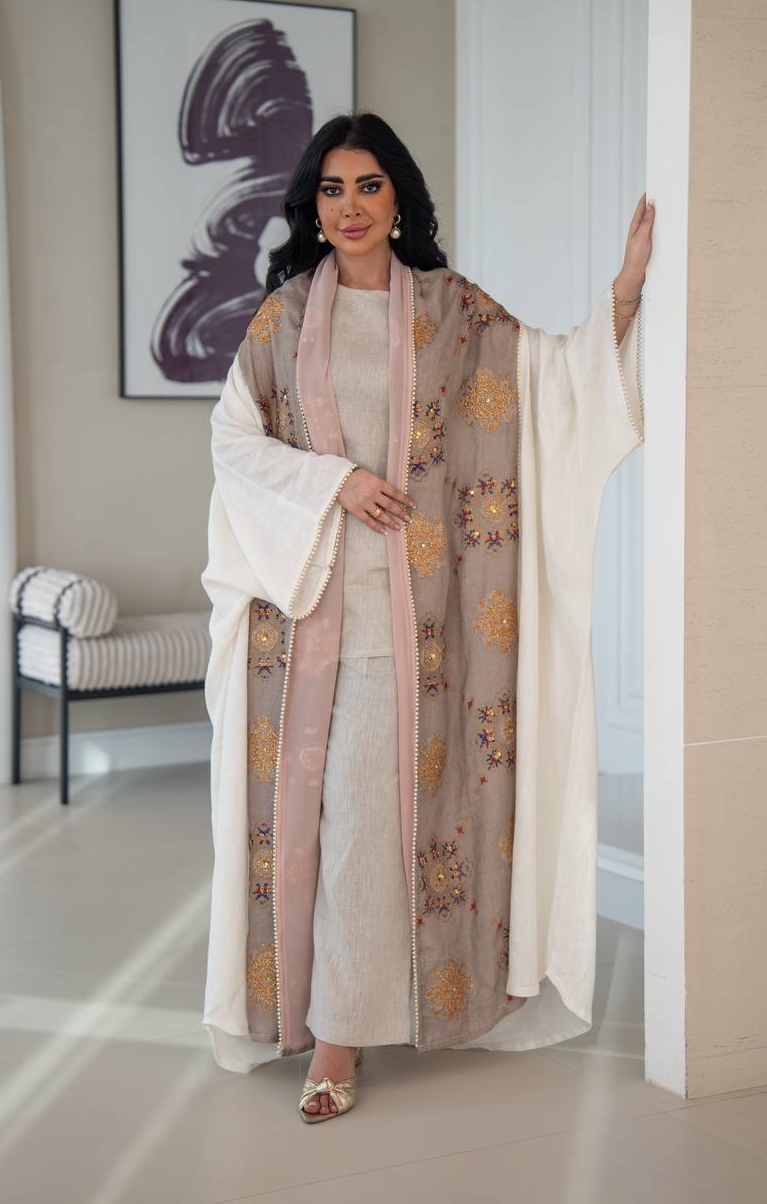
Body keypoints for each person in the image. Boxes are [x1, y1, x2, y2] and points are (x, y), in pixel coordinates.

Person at [200, 111, 654, 1122]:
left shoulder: (452, 310)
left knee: (373, 827)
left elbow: (552, 382)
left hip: (426, 627)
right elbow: (233, 442)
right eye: (331, 189)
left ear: (398, 197)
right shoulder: (282, 319)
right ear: (311, 207)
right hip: (310, 619)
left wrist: (622, 292)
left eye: (368, 185)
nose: (350, 206)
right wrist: (336, 480)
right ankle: (337, 1028)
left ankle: (343, 1032)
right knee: (338, 828)